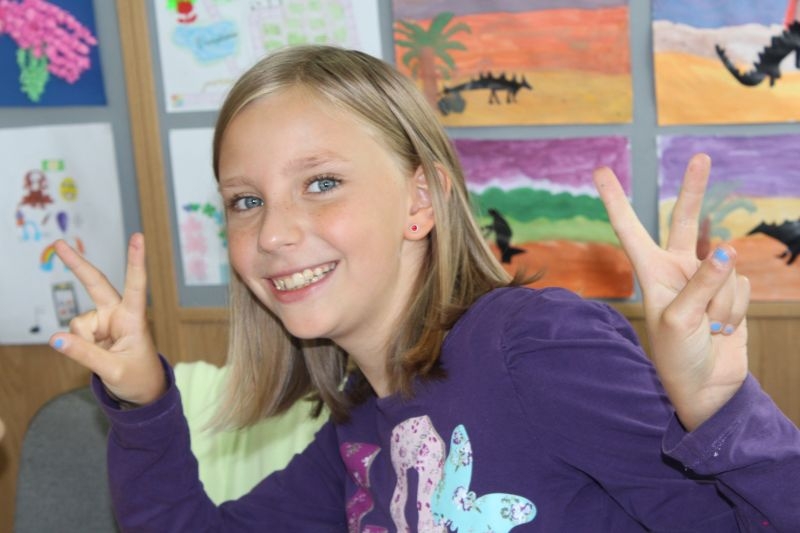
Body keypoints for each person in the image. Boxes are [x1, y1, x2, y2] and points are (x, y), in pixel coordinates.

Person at [49, 45, 799, 532]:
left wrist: (720, 408)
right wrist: (143, 403)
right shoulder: (362, 424)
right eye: (246, 200)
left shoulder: (533, 345)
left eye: (321, 182)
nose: (272, 232)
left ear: (420, 201)